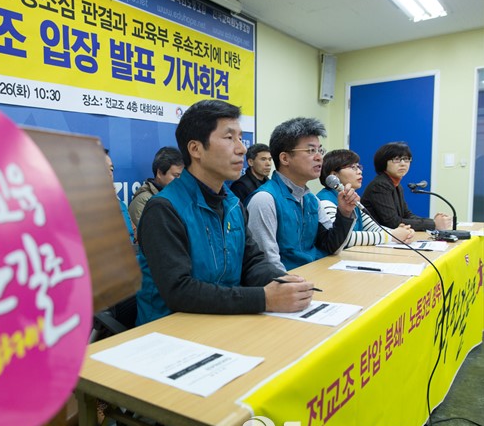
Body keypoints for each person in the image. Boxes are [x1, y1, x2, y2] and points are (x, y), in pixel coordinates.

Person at [135, 100, 317, 326]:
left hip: (224, 319)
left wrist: (282, 281)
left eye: (240, 138)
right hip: (169, 328)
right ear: (195, 149)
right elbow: (179, 291)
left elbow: (252, 262)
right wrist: (264, 299)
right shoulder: (163, 209)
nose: (241, 148)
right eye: (229, 138)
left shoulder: (232, 204)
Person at [247, 117, 358, 272]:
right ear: (285, 158)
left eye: (320, 150)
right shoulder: (264, 200)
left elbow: (331, 246)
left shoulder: (311, 200)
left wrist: (344, 213)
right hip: (288, 282)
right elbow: (268, 265)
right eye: (311, 150)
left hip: (314, 274)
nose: (319, 157)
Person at [317, 149, 415, 247]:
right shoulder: (325, 201)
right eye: (353, 167)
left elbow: (373, 228)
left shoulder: (351, 199)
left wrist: (401, 233)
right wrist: (392, 236)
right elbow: (341, 238)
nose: (359, 172)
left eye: (359, 167)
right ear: (334, 175)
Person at [361, 141, 452, 231]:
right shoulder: (380, 185)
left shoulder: (396, 185)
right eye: (396, 159)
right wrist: (434, 224)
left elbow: (407, 215)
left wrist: (433, 222)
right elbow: (393, 222)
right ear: (383, 162)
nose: (403, 163)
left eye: (406, 159)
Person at [128, 146, 183, 226]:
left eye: (182, 176)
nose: (180, 180)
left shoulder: (180, 198)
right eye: (176, 175)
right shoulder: (143, 202)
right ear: (159, 173)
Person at [104, 149, 137, 245]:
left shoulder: (120, 204)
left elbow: (134, 234)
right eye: (103, 168)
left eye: (111, 169)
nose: (110, 173)